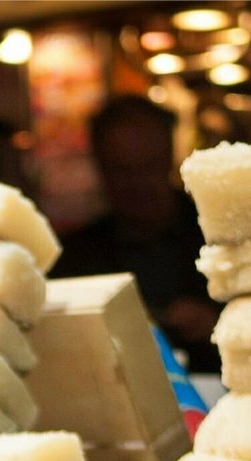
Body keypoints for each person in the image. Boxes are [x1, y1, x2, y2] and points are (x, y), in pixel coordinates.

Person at [55, 96, 220, 371]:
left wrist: (217, 325)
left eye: (148, 167)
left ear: (170, 159)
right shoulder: (73, 257)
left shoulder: (220, 236)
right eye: (120, 170)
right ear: (100, 167)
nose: (136, 184)